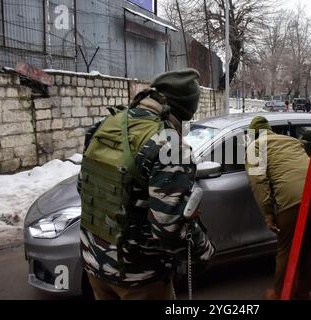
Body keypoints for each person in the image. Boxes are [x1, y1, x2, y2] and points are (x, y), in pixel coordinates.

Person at [78, 68, 215, 300]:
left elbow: (84, 187)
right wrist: (204, 251)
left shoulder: (107, 123)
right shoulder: (169, 146)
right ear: (185, 110)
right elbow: (168, 228)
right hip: (139, 277)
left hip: (94, 263)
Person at [245, 116, 311, 300]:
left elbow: (258, 182)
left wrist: (268, 213)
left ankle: (279, 294)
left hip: (294, 198)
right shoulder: (291, 140)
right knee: (310, 245)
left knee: (287, 249)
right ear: (269, 129)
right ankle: (303, 291)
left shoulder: (255, 146)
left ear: (252, 134)